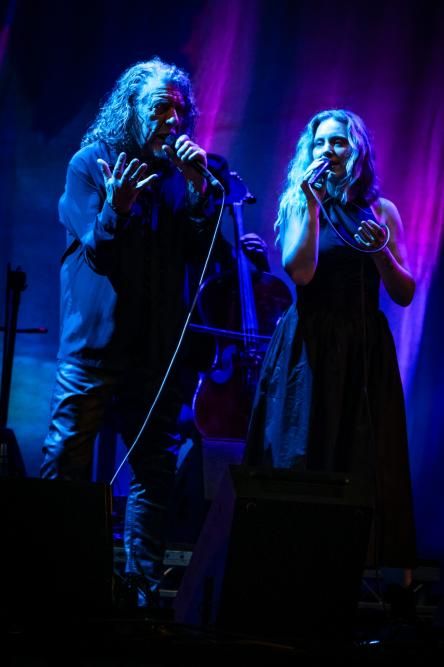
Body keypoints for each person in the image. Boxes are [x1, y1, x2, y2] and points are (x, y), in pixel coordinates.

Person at [41, 57, 228, 610]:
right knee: (66, 462)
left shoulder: (184, 176)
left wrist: (200, 192)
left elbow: (209, 260)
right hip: (94, 349)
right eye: (159, 108)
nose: (172, 120)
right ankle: (51, 583)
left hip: (154, 354)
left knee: (153, 473)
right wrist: (116, 209)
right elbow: (98, 254)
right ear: (131, 109)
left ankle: (144, 597)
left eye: (179, 110)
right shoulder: (90, 164)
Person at [244, 109, 417, 578]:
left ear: (356, 149)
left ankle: (360, 573)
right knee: (299, 449)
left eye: (338, 142)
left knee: (361, 454)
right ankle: (287, 569)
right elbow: (300, 273)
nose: (328, 151)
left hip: (362, 346)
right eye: (320, 143)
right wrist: (311, 205)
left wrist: (380, 253)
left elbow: (404, 292)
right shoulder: (299, 203)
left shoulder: (382, 211)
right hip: (308, 345)